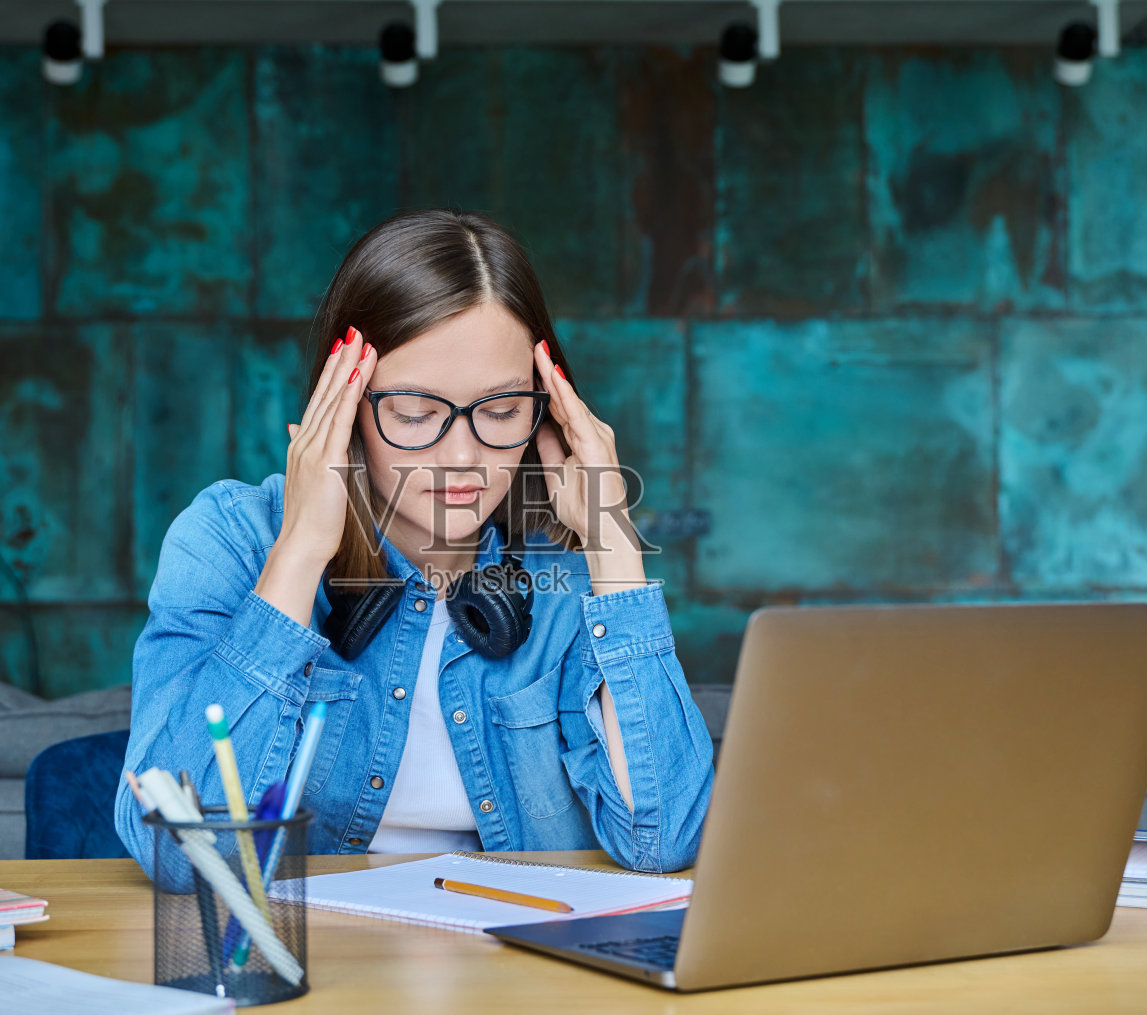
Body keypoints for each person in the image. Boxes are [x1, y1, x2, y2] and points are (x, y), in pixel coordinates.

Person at [115, 208, 714, 877]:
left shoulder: (570, 571)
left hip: (519, 963)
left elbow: (663, 843)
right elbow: (183, 857)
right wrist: (298, 557)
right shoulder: (229, 539)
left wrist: (613, 545)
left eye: (502, 410)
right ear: (343, 406)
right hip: (325, 966)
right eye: (416, 413)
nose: (462, 455)